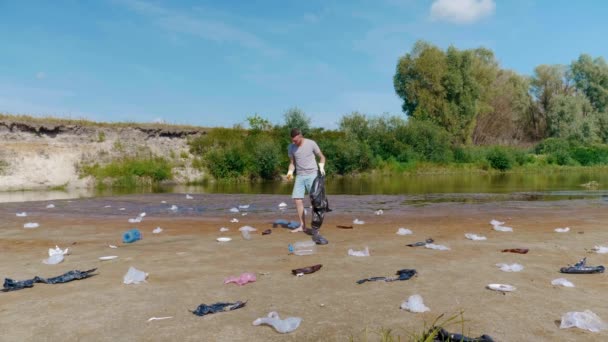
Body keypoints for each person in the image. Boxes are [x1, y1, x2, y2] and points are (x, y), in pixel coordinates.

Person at [286, 128, 328, 244]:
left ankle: (315, 228)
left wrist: (321, 168)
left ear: (300, 135)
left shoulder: (311, 143)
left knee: (315, 201)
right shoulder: (291, 147)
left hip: (312, 174)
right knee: (297, 199)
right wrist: (289, 174)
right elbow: (292, 163)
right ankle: (302, 226)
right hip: (300, 176)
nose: (294, 143)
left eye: (296, 140)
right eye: (292, 141)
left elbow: (322, 157)